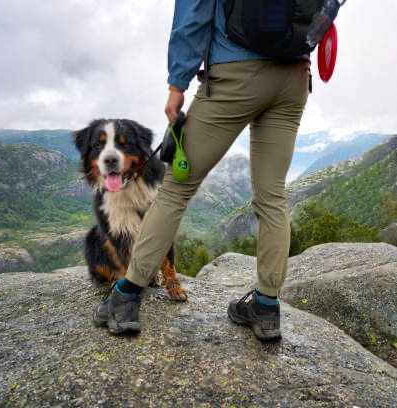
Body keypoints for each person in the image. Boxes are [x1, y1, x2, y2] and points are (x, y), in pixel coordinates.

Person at [98, 0, 310, 341]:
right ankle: (266, 306)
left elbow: (193, 15)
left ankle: (126, 298)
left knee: (177, 189)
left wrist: (177, 85)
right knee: (272, 196)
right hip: (293, 78)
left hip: (235, 74)